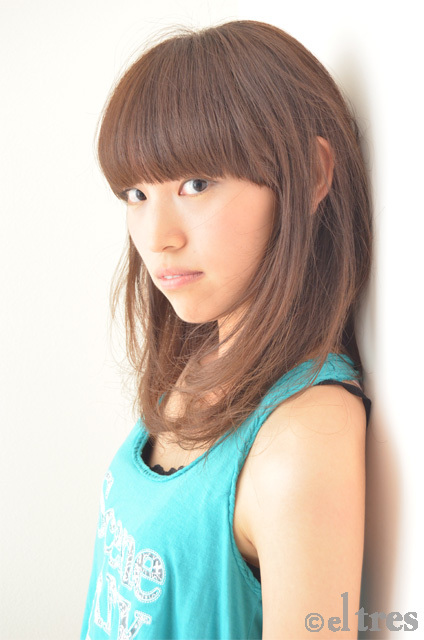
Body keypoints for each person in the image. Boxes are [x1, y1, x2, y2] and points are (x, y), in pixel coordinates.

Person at [80, 19, 372, 640]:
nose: (157, 237)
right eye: (136, 193)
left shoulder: (302, 435)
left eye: (196, 184)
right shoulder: (206, 358)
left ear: (310, 174)